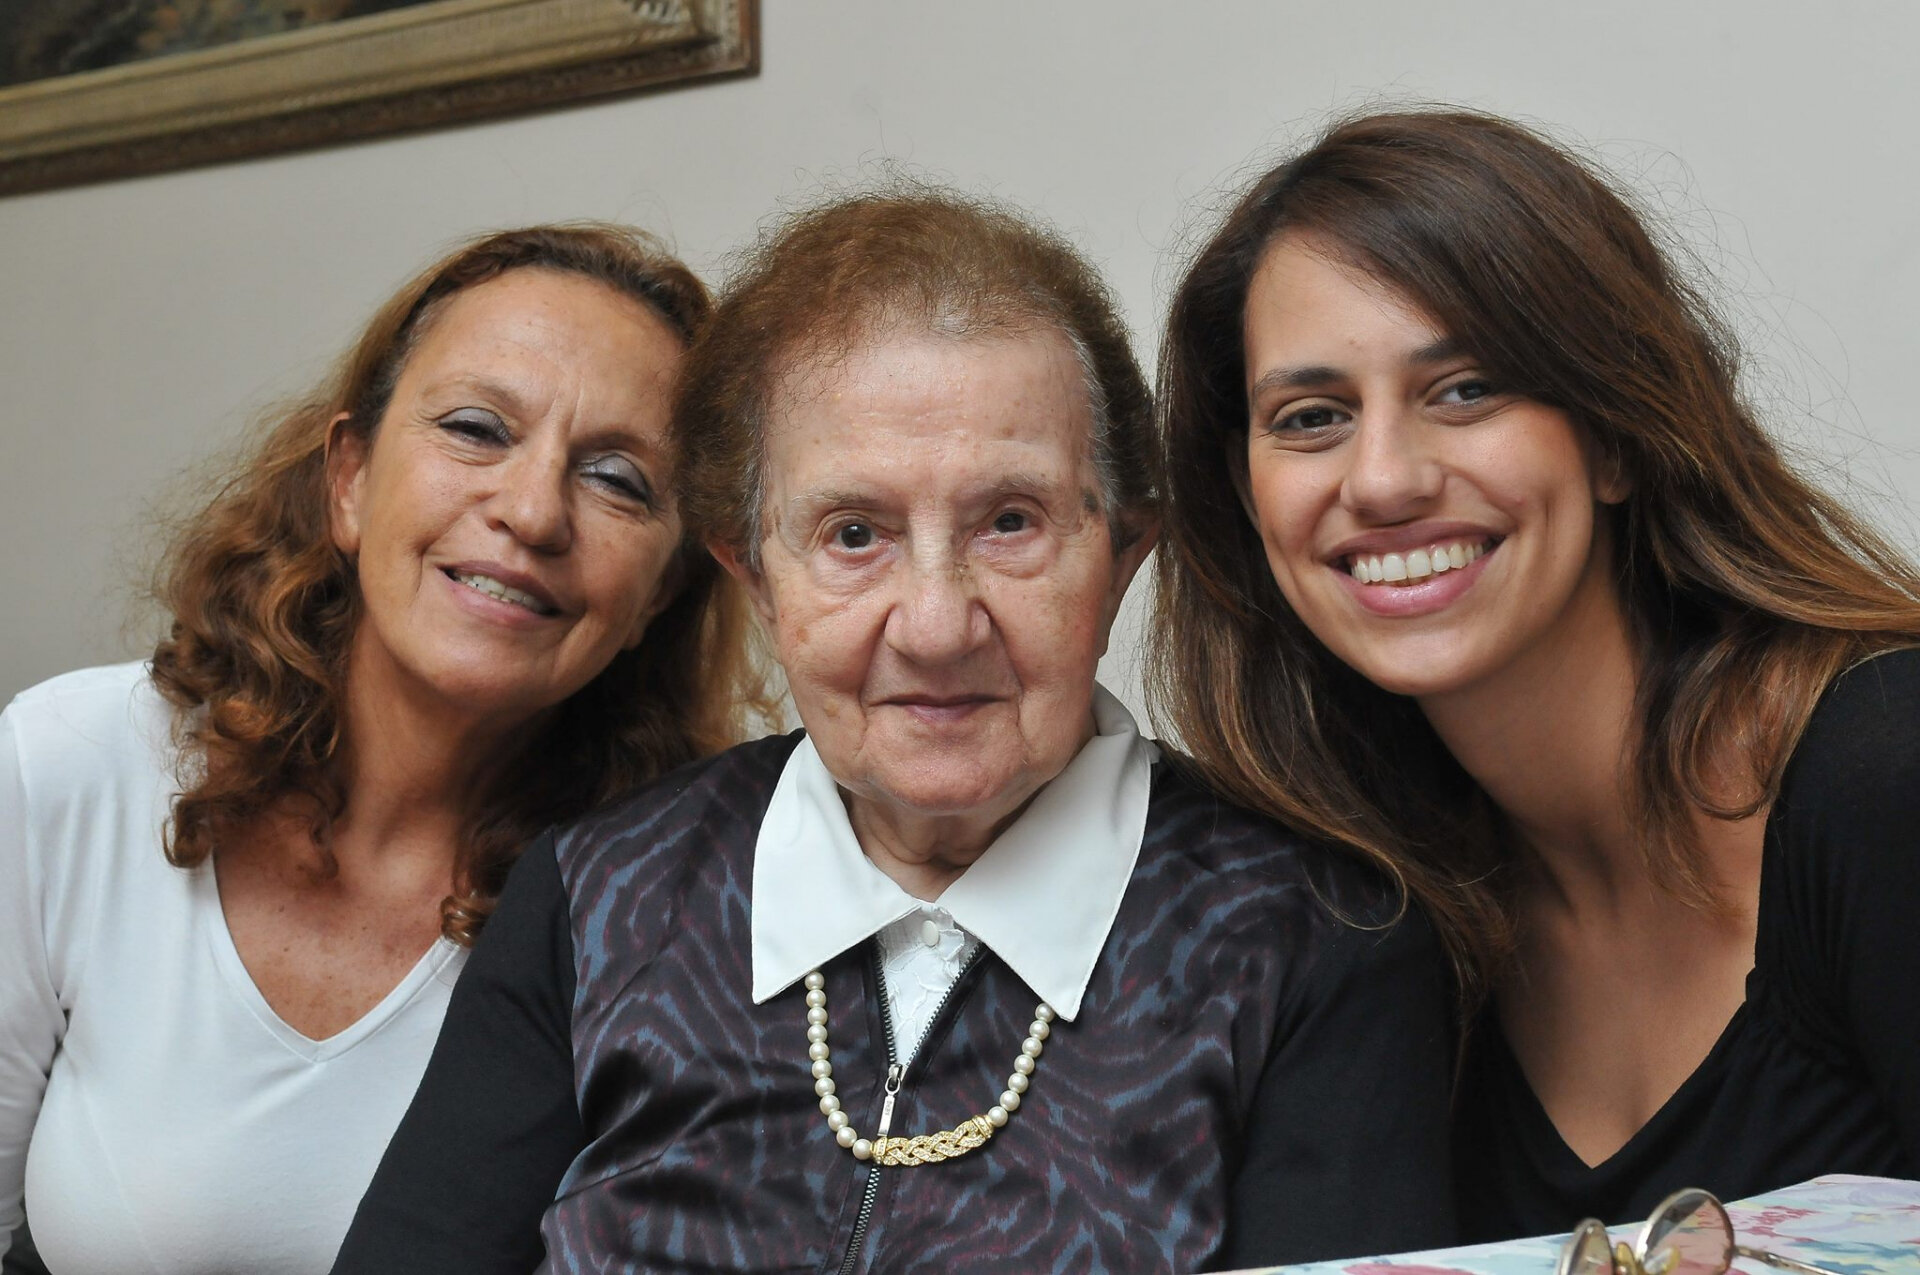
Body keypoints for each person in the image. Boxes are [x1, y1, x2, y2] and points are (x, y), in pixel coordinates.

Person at [328, 188, 1455, 1275]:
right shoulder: (594, 896)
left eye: (1009, 522)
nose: (934, 624)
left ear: (1120, 559)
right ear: (755, 580)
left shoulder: (1316, 942)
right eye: (853, 534)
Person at [1151, 108, 1920, 1243]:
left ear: (1613, 435)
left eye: (1465, 390)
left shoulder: (1886, 775)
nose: (1384, 480)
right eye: (1311, 418)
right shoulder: (1359, 913)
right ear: (1247, 492)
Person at [0, 223, 764, 1274]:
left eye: (618, 480)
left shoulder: (682, 914)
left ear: (661, 593)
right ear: (350, 480)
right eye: (476, 429)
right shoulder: (69, 764)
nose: (532, 511)